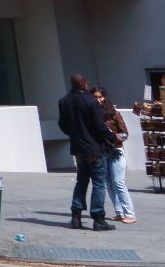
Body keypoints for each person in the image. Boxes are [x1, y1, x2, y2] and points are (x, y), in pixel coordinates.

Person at [56, 74, 115, 230]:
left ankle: (76, 216)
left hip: (78, 148)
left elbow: (62, 125)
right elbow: (100, 126)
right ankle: (98, 218)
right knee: (98, 183)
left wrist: (76, 135)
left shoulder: (64, 101)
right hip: (95, 148)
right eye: (87, 82)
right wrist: (112, 138)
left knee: (81, 181)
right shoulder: (91, 102)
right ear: (82, 84)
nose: (89, 84)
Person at [93, 88, 137, 224]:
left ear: (105, 97)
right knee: (109, 183)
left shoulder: (114, 113)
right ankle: (119, 212)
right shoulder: (92, 115)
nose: (98, 100)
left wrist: (113, 138)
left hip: (116, 150)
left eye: (100, 97)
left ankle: (130, 213)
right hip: (102, 151)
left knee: (118, 182)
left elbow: (125, 133)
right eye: (95, 97)